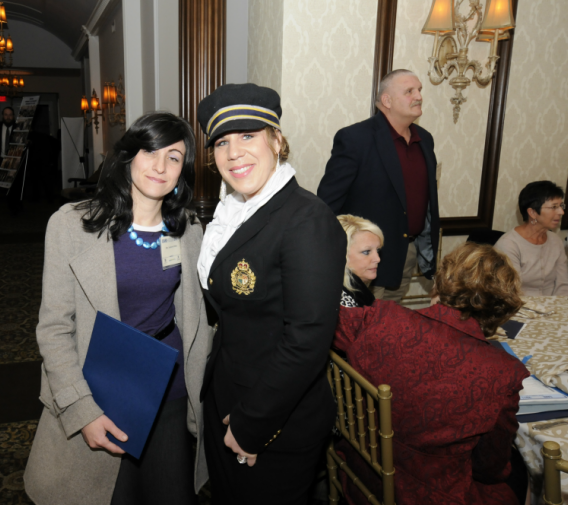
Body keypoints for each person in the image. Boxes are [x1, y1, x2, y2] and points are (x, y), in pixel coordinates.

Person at [23, 112, 212, 505]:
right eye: (150, 152)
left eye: (174, 157)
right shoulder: (72, 225)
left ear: (183, 170)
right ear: (129, 156)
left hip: (167, 383)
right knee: (108, 494)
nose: (160, 166)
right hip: (100, 384)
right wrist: (82, 410)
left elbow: (199, 314)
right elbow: (54, 328)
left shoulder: (189, 229)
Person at [196, 83, 346, 504]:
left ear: (277, 141)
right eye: (222, 142)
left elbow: (307, 341)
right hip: (228, 396)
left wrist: (252, 425)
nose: (233, 153)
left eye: (248, 135)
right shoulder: (231, 212)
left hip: (275, 417)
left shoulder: (306, 219)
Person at [333, 242, 530, 505]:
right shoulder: (504, 372)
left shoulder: (381, 316)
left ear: (442, 281)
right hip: (434, 493)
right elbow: (490, 468)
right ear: (502, 306)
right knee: (522, 474)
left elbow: (318, 318)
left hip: (362, 470)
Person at [317, 69, 439, 302]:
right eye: (409, 91)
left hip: (408, 253)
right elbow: (327, 204)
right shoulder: (356, 138)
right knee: (365, 322)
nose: (419, 96)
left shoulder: (425, 139)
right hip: (368, 257)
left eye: (419, 90)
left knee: (392, 320)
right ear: (387, 100)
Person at [495, 180, 568, 296]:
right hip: (520, 305)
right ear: (532, 212)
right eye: (554, 207)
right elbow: (510, 292)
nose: (561, 212)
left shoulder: (555, 241)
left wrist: (559, 306)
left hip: (554, 306)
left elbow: (563, 285)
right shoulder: (508, 244)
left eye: (561, 206)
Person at [338, 215, 383, 308]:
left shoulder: (360, 294)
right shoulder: (343, 305)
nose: (378, 259)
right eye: (366, 252)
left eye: (377, 250)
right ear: (341, 254)